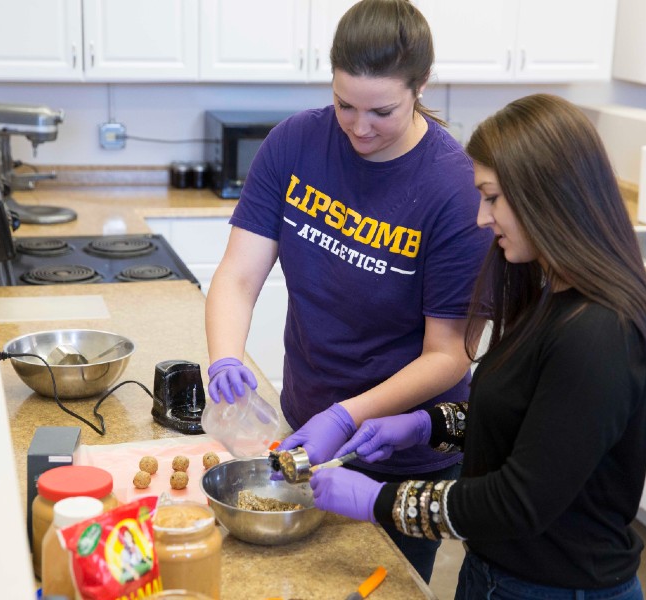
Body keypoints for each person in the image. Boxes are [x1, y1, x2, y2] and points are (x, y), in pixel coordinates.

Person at [309, 93, 646, 600]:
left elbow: (518, 501)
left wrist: (380, 500)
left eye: (492, 197)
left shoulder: (600, 334)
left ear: (546, 195)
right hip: (495, 575)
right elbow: (527, 420)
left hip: (556, 588)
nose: (483, 219)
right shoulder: (553, 295)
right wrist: (427, 425)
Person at [204, 0, 492, 582]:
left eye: (381, 111)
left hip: (402, 457)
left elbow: (449, 353)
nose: (359, 127)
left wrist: (348, 415)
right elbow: (237, 275)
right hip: (301, 429)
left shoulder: (454, 188)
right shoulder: (295, 144)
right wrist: (225, 356)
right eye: (344, 105)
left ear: (421, 87)